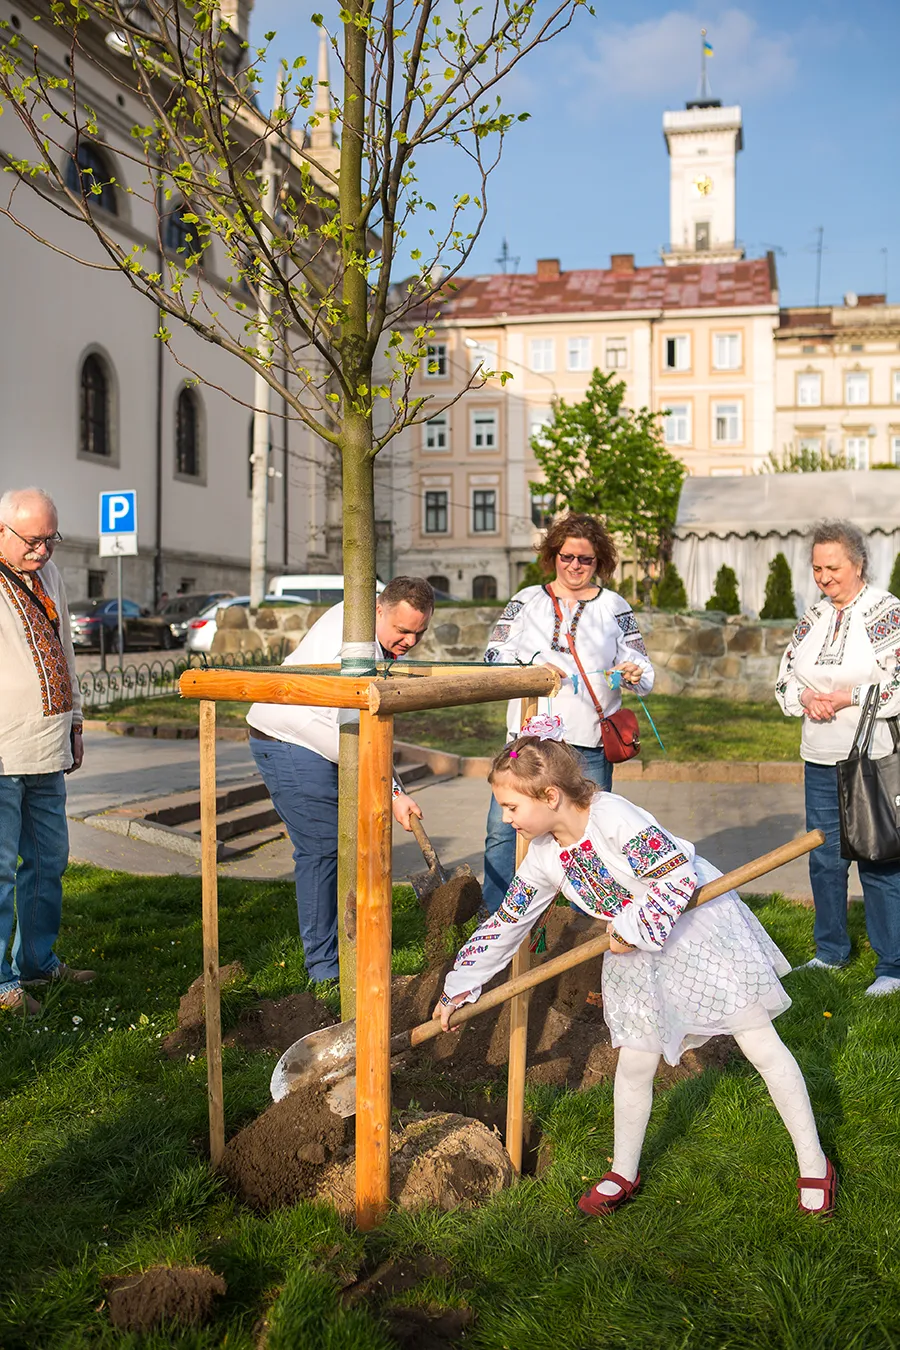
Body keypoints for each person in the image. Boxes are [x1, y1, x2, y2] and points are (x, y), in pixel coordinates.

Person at [434, 716, 836, 1217]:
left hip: (693, 932)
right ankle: (624, 1170)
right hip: (634, 952)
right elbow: (507, 923)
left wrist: (634, 928)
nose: (508, 818)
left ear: (551, 796)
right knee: (635, 1062)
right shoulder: (543, 858)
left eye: (513, 806)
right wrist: (457, 989)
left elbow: (675, 875)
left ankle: (813, 1161)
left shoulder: (614, 817)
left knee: (760, 1045)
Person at [246, 576, 435, 983]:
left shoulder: (371, 612)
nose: (410, 641)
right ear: (379, 611)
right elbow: (349, 740)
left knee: (352, 840)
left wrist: (393, 786)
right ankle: (324, 970)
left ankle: (355, 942)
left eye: (419, 632)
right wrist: (395, 790)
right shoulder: (354, 646)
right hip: (289, 736)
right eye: (402, 631)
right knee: (322, 848)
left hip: (327, 738)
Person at [481, 512, 654, 911]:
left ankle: (584, 930)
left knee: (589, 839)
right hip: (526, 746)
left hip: (587, 746)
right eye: (566, 556)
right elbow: (493, 657)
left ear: (600, 562)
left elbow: (644, 671)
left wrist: (631, 672)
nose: (574, 565)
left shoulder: (615, 606)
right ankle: (498, 923)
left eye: (585, 559)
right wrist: (535, 666)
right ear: (553, 554)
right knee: (502, 834)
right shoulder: (525, 601)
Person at [775, 518, 900, 996]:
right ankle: (830, 951)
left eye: (833, 568)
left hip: (870, 757)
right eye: (817, 569)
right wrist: (806, 699)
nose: (824, 578)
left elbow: (897, 683)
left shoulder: (884, 611)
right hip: (819, 757)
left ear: (858, 563)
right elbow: (785, 678)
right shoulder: (815, 616)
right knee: (825, 861)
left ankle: (891, 964)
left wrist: (849, 698)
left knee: (878, 858)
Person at [0, 487, 95, 1017]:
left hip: (47, 747)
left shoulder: (48, 576)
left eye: (50, 539)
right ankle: (1, 984)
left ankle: (37, 961)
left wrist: (75, 721)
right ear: (2, 531)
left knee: (48, 861)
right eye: (33, 540)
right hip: (1, 752)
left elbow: (66, 652)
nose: (42, 551)